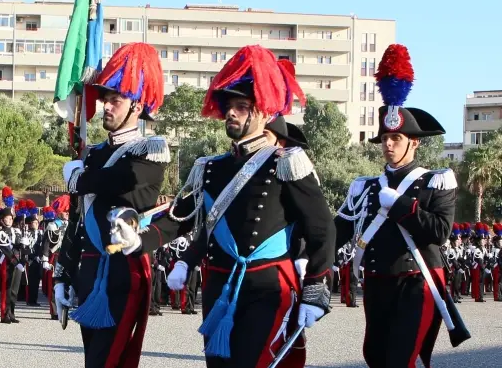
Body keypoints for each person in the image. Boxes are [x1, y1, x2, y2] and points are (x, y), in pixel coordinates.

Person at [167, 46, 334, 368]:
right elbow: (188, 219)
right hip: (219, 284)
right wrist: (149, 243)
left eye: (241, 107)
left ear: (262, 112)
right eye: (229, 106)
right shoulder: (211, 167)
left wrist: (315, 286)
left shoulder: (285, 162)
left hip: (266, 284)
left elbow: (321, 227)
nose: (231, 113)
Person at [334, 44, 458, 367]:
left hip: (417, 282)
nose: (388, 145)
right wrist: (307, 258)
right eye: (385, 138)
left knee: (401, 359)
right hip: (377, 284)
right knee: (376, 357)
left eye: (397, 138)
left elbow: (440, 231)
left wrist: (401, 204)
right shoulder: (366, 187)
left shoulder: (436, 181)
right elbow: (339, 230)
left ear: (414, 142)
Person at [55, 42, 177, 367]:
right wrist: (63, 274)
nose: (106, 106)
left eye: (115, 99)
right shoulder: (93, 154)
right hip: (88, 270)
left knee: (108, 362)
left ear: (136, 105)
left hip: (123, 269)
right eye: (105, 98)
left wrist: (81, 179)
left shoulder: (149, 149)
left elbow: (126, 183)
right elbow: (76, 221)